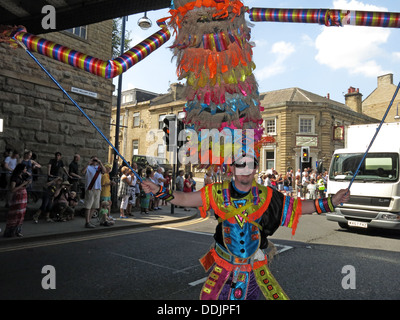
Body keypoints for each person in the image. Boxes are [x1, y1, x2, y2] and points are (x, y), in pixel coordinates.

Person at [141, 154, 350, 300]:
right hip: (222, 266)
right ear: (232, 168)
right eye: (240, 165)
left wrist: (331, 202)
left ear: (255, 169)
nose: (245, 171)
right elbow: (185, 198)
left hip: (252, 270)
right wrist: (158, 190)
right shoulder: (216, 192)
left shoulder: (268, 195)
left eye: (250, 165)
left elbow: (298, 207)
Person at [3, 163, 30, 237]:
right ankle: (10, 232)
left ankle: (17, 231)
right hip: (17, 198)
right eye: (25, 168)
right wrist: (22, 184)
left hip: (23, 197)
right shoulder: (14, 177)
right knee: (15, 214)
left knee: (21, 214)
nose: (26, 169)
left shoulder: (22, 176)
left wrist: (27, 184)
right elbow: (12, 189)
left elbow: (24, 184)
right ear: (21, 169)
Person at [81, 156, 105, 228]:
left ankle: (89, 220)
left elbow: (104, 171)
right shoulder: (88, 167)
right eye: (94, 160)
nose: (95, 161)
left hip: (98, 188)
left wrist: (100, 163)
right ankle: (87, 222)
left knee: (95, 206)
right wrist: (88, 163)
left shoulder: (99, 168)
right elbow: (82, 172)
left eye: (96, 160)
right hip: (90, 188)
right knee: (88, 206)